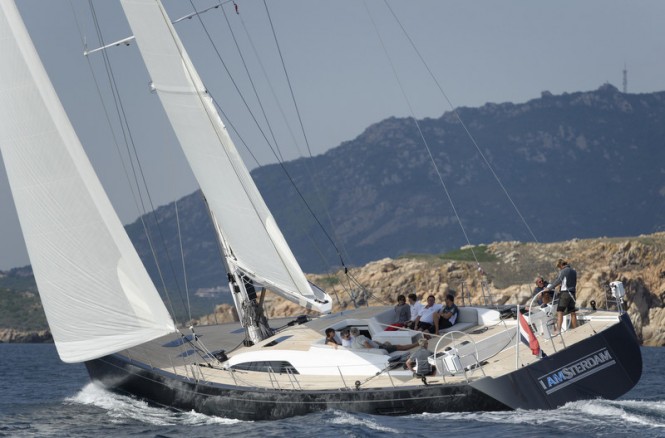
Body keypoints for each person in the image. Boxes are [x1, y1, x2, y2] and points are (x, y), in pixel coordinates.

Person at [541, 258, 578, 334]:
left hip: (565, 294)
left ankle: (558, 330)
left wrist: (548, 288)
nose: (559, 269)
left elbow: (558, 281)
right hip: (573, 293)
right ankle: (575, 329)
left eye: (559, 267)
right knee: (572, 312)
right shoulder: (574, 271)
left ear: (561, 265)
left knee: (560, 311)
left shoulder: (563, 271)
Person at [349, 327, 417, 353]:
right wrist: (377, 352)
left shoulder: (352, 343)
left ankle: (390, 348)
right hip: (379, 350)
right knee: (398, 346)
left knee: (387, 343)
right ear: (358, 331)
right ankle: (417, 343)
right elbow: (366, 344)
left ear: (351, 334)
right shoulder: (361, 337)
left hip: (379, 348)